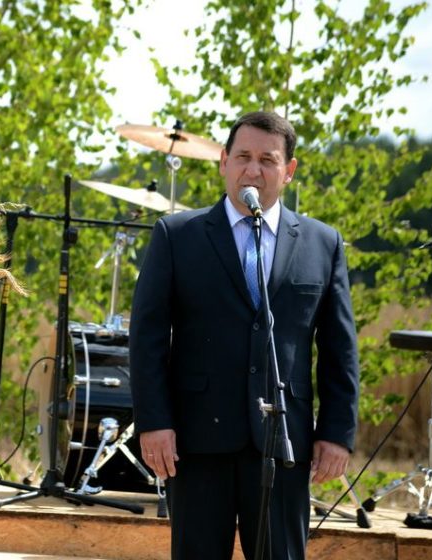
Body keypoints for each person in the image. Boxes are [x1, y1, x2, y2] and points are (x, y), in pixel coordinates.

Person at [129, 111, 360, 560]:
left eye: (267, 160)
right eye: (243, 157)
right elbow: (148, 338)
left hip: (283, 441)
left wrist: (336, 432)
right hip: (196, 444)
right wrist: (155, 422)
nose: (253, 170)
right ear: (223, 162)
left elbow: (339, 348)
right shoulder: (177, 235)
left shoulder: (322, 242)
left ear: (288, 171)